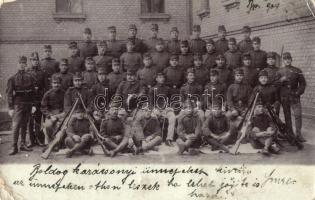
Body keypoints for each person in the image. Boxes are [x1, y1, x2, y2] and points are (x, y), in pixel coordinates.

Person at [276, 52, 306, 142]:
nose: (287, 60)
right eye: (285, 59)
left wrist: (298, 92)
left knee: (298, 115)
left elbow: (303, 84)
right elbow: (276, 84)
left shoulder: (297, 70)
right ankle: (290, 134)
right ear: (283, 60)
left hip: (295, 97)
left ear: (291, 59)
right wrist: (281, 80)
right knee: (287, 116)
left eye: (288, 59)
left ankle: (298, 134)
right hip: (284, 97)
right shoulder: (279, 71)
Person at [7, 56, 35, 155]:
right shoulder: (12, 78)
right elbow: (10, 94)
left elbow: (33, 92)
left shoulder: (30, 77)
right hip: (18, 104)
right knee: (16, 125)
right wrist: (10, 108)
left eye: (24, 63)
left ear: (26, 64)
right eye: (20, 63)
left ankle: (22, 144)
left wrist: (33, 105)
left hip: (27, 104)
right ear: (17, 64)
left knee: (24, 125)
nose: (22, 65)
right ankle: (14, 146)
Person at [149, 72, 176, 146]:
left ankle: (169, 139)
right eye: (160, 77)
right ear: (156, 79)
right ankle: (155, 138)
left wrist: (169, 108)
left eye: (163, 77)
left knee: (172, 117)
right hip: (156, 110)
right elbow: (150, 103)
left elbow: (172, 101)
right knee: (153, 116)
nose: (162, 79)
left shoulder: (168, 89)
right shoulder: (152, 89)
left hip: (165, 109)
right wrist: (155, 109)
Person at [27, 52, 48, 147]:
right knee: (30, 120)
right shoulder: (27, 72)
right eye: (33, 60)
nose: (35, 62)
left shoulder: (42, 72)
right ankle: (31, 140)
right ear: (30, 61)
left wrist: (43, 98)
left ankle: (40, 139)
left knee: (39, 120)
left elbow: (46, 87)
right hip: (30, 100)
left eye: (36, 60)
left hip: (39, 99)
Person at [41, 75, 65, 145]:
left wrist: (61, 115)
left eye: (58, 83)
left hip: (61, 114)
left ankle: (59, 143)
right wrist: (50, 115)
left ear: (60, 84)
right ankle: (50, 142)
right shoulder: (47, 94)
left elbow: (66, 106)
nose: (56, 85)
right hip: (51, 115)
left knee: (64, 127)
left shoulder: (64, 93)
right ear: (51, 84)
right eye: (54, 83)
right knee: (48, 125)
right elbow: (43, 107)